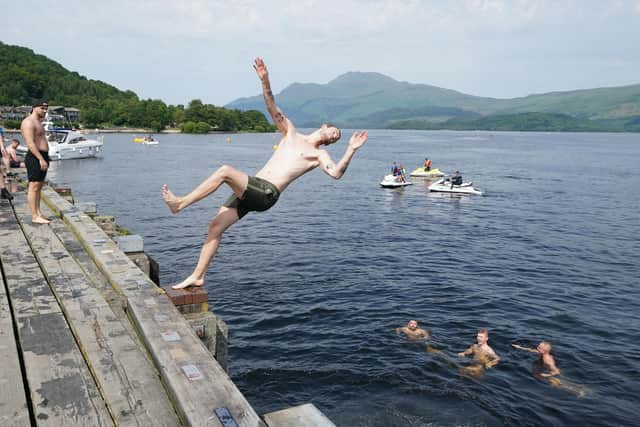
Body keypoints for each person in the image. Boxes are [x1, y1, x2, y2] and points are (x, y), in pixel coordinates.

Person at [162, 57, 368, 289]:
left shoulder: (318, 155)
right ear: (323, 126)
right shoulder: (289, 132)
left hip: (267, 193)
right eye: (333, 131)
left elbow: (336, 173)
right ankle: (198, 275)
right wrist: (265, 80)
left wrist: (350, 150)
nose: (333, 135)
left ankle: (180, 204)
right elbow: (271, 105)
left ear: (329, 144)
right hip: (252, 188)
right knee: (215, 226)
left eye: (335, 138)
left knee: (225, 171)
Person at [20, 101, 51, 224]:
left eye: (46, 109)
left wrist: (44, 157)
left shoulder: (39, 122)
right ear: (34, 108)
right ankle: (34, 215)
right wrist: (40, 159)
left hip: (42, 155)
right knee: (33, 186)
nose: (44, 111)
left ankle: (38, 213)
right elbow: (30, 143)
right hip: (35, 156)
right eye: (42, 108)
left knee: (39, 187)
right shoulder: (28, 122)